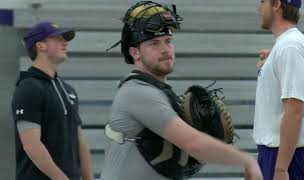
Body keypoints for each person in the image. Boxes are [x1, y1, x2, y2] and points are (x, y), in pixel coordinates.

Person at [101, 1, 263, 180]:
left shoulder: (159, 92)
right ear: (135, 53)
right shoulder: (138, 93)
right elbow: (193, 144)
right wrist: (247, 160)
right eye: (154, 43)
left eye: (168, 41)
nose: (165, 49)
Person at [11, 22, 93, 180]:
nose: (65, 43)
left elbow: (79, 140)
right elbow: (31, 145)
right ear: (40, 45)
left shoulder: (68, 90)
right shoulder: (28, 88)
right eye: (57, 38)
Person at [254, 0, 304, 179]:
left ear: (276, 4)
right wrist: (269, 67)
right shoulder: (286, 46)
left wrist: (280, 168)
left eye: (262, 2)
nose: (258, 9)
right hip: (279, 154)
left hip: (286, 159)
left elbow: (295, 110)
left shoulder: (289, 47)